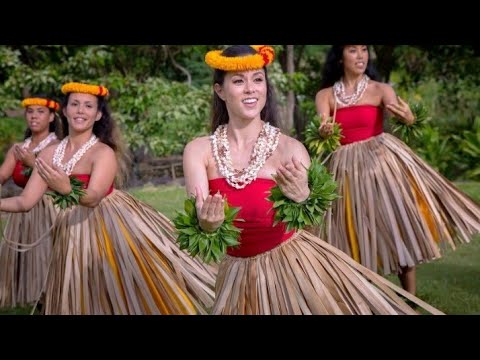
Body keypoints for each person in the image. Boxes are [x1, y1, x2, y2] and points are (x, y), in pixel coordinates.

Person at [182, 45, 443, 315]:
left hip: (289, 270)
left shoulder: (290, 149)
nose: (250, 88)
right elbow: (202, 222)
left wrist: (303, 198)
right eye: (238, 81)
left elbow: (313, 229)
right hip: (236, 275)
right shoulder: (199, 151)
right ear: (220, 90)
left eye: (258, 79)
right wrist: (207, 225)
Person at [0, 82, 216, 315]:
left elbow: (93, 197)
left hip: (107, 227)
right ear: (65, 111)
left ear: (98, 114)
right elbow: (25, 202)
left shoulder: (103, 153)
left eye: (88, 106)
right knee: (77, 294)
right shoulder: (50, 153)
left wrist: (65, 188)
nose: (81, 110)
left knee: (114, 292)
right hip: (69, 231)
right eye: (75, 104)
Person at [314, 45, 480, 296]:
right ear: (339, 58)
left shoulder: (381, 90)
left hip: (380, 166)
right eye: (352, 50)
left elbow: (400, 111)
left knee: (395, 226)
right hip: (346, 171)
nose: (361, 56)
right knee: (353, 231)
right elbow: (322, 125)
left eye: (364, 49)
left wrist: (409, 118)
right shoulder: (326, 95)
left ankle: (411, 299)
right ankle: (363, 296)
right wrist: (324, 131)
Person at [0, 95, 62, 308]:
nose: (34, 116)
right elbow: (2, 174)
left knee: (47, 256)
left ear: (52, 117)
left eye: (40, 111)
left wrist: (33, 162)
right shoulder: (19, 148)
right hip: (22, 211)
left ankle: (52, 298)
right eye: (30, 111)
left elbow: (60, 180)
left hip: (49, 210)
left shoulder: (58, 146)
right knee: (27, 259)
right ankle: (35, 298)